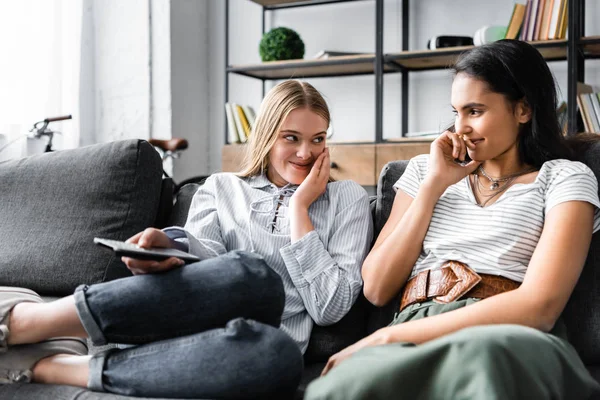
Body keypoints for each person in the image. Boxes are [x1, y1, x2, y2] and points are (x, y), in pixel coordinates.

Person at [0, 80, 373, 399]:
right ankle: (20, 322)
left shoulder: (347, 198)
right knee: (253, 276)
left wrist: (300, 211)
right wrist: (170, 245)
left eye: (318, 139)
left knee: (282, 357)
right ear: (266, 135)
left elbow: (331, 306)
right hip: (186, 320)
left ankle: (51, 367)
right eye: (291, 138)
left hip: (233, 352)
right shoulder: (222, 188)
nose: (306, 153)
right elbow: (207, 261)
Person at [305, 39, 600, 400]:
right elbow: (377, 287)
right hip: (415, 325)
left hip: (505, 332)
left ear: (523, 109)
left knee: (482, 362)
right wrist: (433, 186)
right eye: (456, 112)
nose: (460, 128)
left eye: (475, 111)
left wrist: (387, 336)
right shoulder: (423, 172)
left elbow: (540, 306)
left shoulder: (564, 177)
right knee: (334, 389)